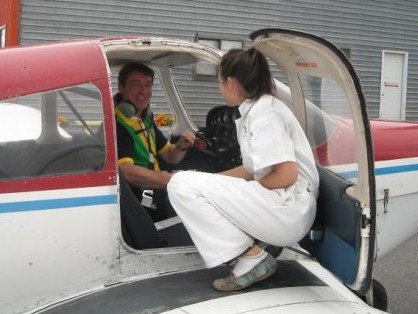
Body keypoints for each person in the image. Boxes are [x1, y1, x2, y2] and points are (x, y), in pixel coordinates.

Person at [167, 48, 319, 291]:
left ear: (230, 82)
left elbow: (287, 174)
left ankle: (252, 257)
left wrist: (215, 189)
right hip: (285, 205)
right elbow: (250, 170)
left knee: (178, 183)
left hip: (290, 209)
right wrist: (210, 185)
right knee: (191, 183)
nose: (219, 88)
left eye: (219, 82)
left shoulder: (265, 114)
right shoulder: (256, 110)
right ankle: (252, 253)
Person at [115, 62, 195, 221]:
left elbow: (170, 156)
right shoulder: (117, 125)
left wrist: (180, 146)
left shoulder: (145, 119)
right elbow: (125, 171)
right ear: (121, 87)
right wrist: (169, 179)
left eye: (148, 85)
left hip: (154, 190)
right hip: (139, 197)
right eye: (135, 85)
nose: (143, 91)